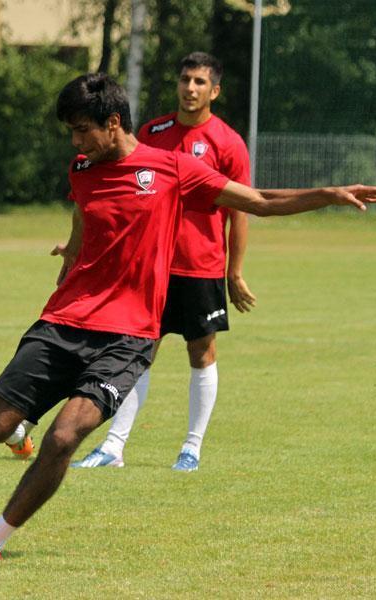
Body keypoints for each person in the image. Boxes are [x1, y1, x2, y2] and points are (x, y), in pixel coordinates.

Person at [0, 72, 376, 562]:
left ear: (113, 122)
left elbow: (258, 201)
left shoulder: (172, 169)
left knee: (64, 436)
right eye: (71, 132)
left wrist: (328, 195)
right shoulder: (81, 169)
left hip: (127, 336)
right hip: (64, 320)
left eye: (82, 130)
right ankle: (18, 433)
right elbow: (82, 216)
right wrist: (73, 254)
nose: (76, 142)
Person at [72, 51, 253, 472]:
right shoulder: (152, 133)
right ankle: (113, 447)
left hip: (201, 266)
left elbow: (241, 211)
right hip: (150, 264)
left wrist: (235, 271)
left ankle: (191, 448)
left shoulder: (227, 142)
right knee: (136, 352)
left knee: (201, 352)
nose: (190, 88)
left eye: (200, 82)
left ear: (215, 91)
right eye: (185, 79)